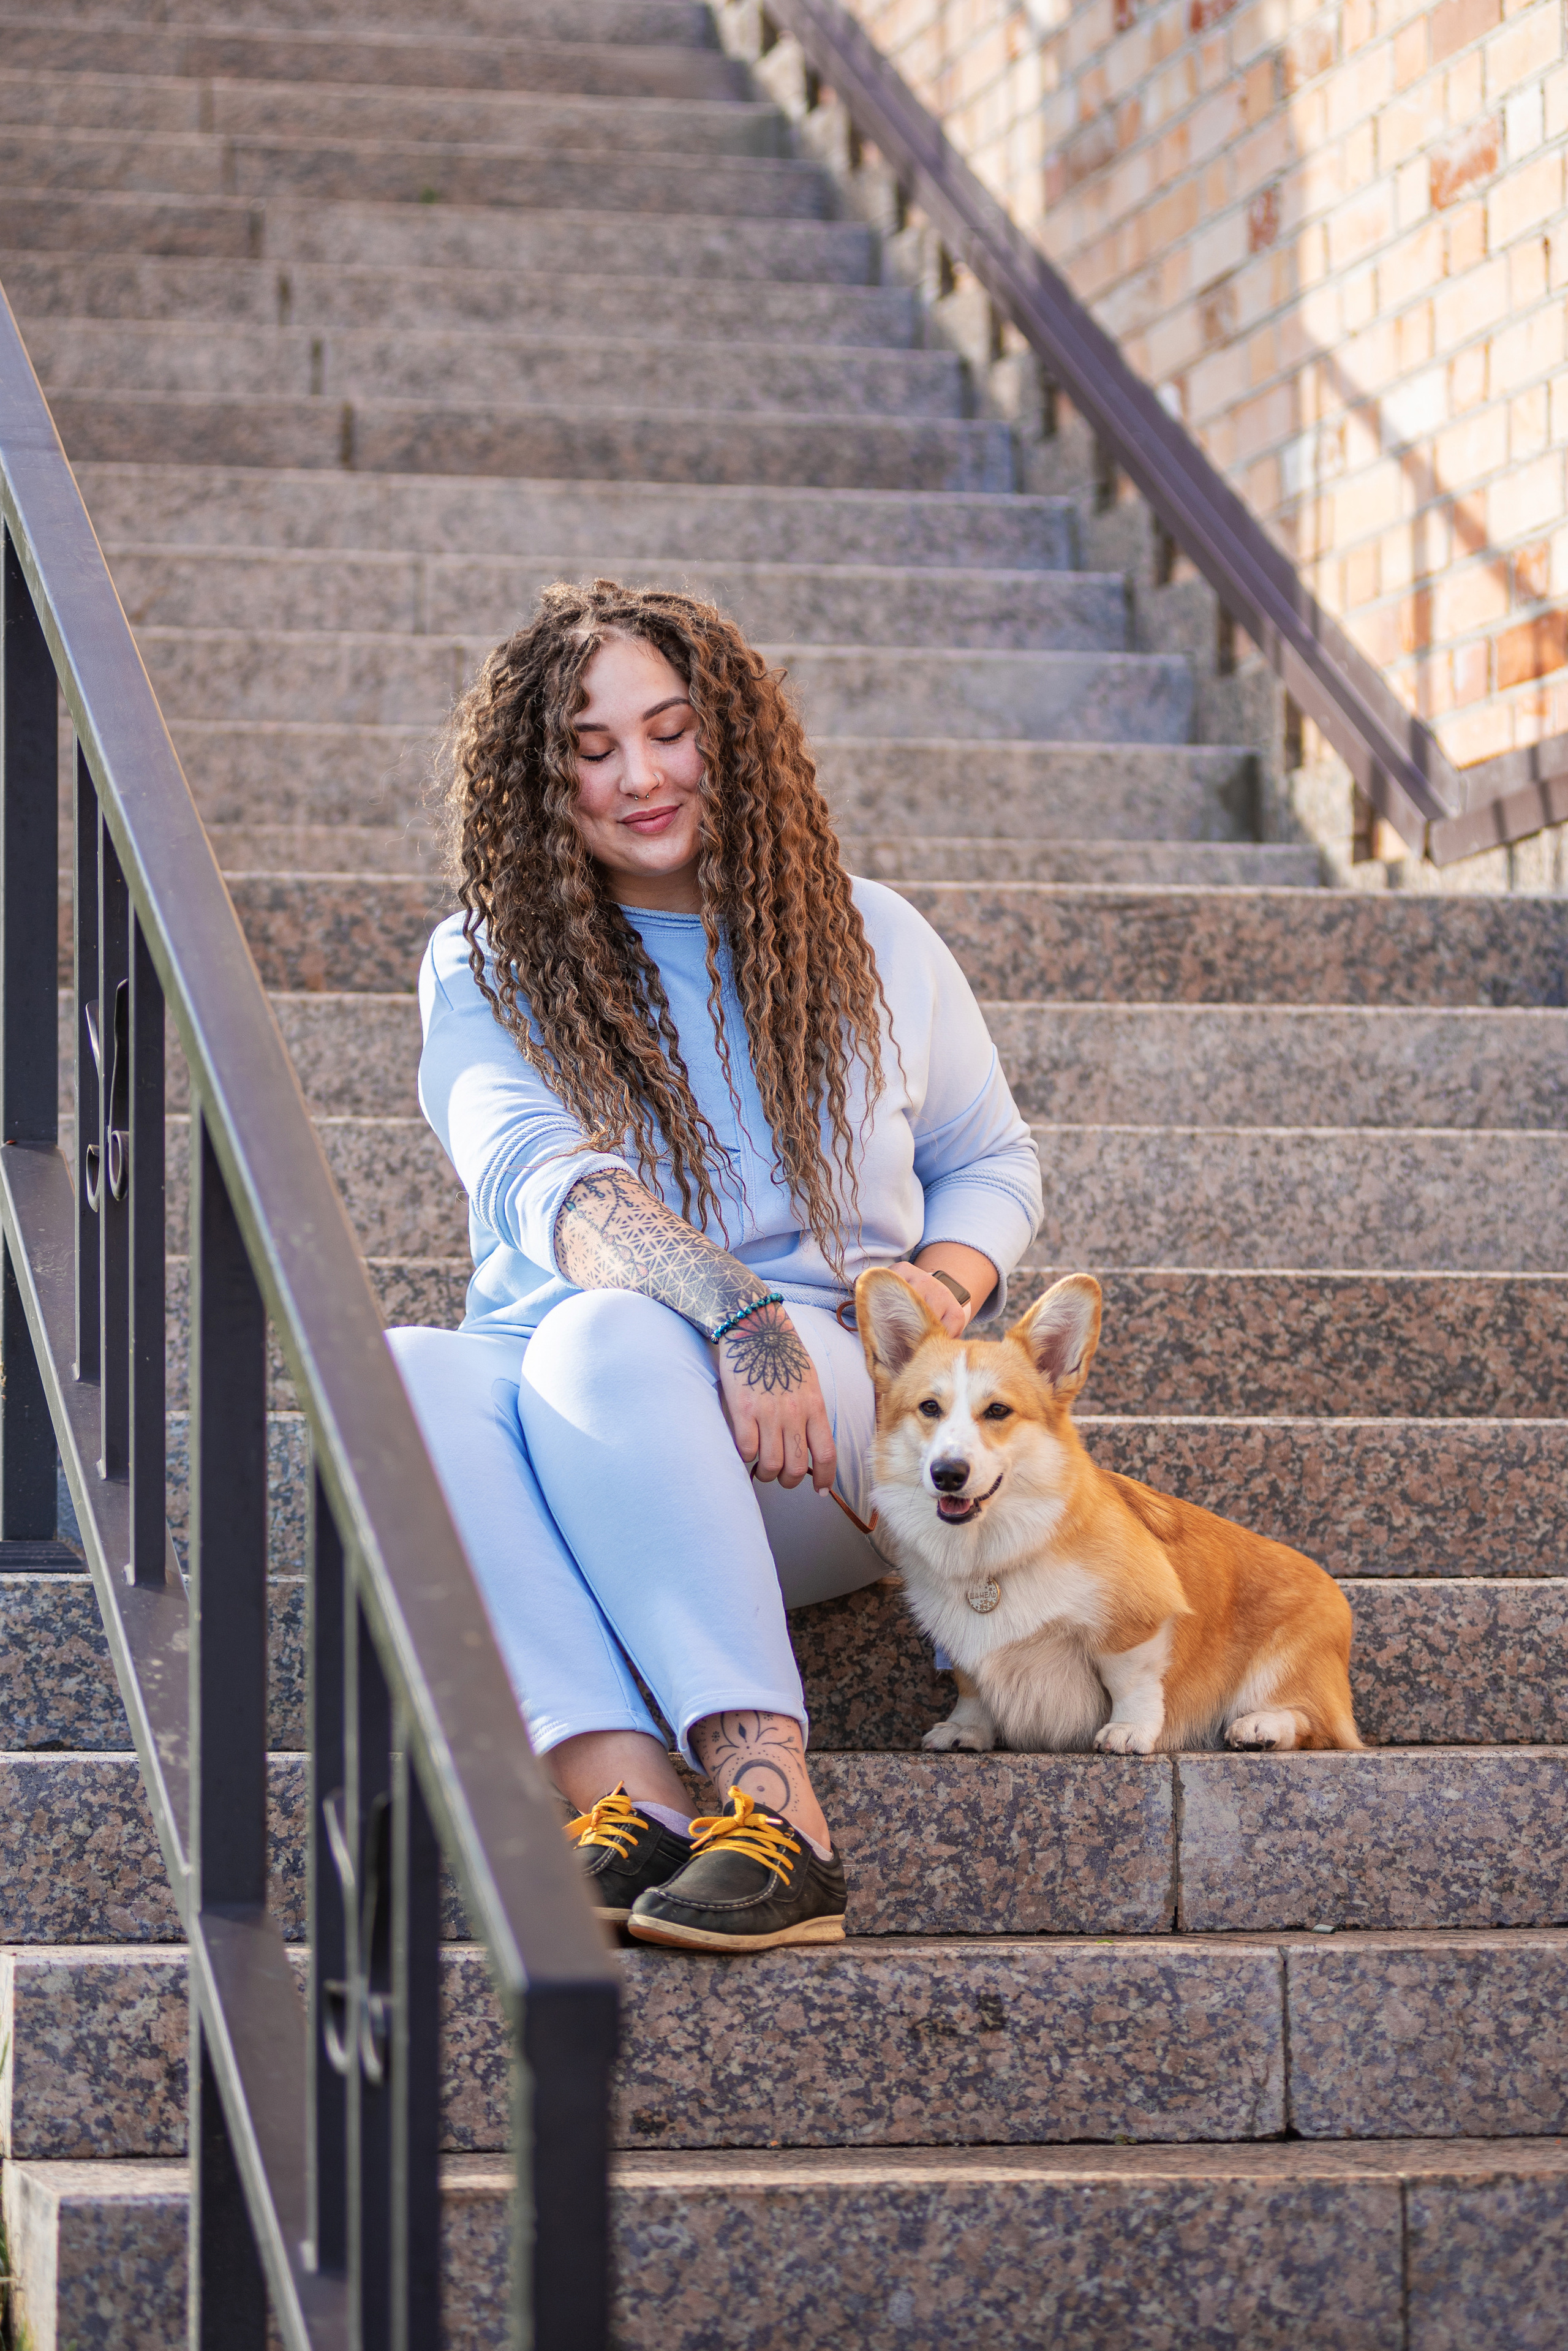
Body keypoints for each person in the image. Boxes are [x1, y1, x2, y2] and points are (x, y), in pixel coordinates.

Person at [388, 579, 1042, 1955]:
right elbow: (538, 1181)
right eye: (590, 747)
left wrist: (935, 1285)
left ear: (730, 739)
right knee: (404, 1370)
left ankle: (774, 1803)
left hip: (807, 1422)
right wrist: (726, 1300)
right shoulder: (489, 961)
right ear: (538, 776)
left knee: (602, 1336)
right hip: (583, 1398)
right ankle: (619, 1805)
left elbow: (990, 1155)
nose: (639, 776)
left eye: (670, 730)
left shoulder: (872, 938)